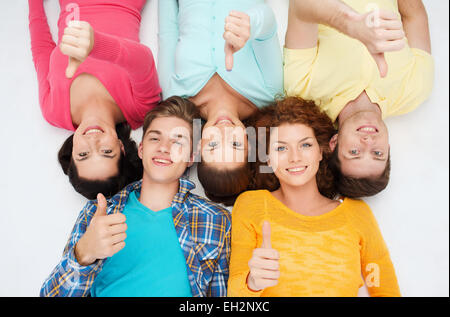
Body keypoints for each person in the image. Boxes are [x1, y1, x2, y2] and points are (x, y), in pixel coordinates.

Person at [40, 97, 231, 297]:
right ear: (141, 149)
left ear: (192, 157)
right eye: (155, 138)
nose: (164, 147)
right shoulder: (98, 214)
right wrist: (84, 254)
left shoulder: (216, 220)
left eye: (178, 141)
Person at [227, 97, 401, 297]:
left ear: (321, 151)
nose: (295, 157)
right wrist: (252, 283)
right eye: (281, 148)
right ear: (268, 158)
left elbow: (385, 289)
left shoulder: (357, 213)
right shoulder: (251, 205)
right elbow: (236, 298)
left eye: (306, 145)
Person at [283, 0, 434, 197]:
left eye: (354, 152)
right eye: (378, 154)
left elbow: (300, 7)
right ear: (388, 147)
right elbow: (415, 17)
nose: (368, 142)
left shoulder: (303, 89)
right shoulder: (416, 88)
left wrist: (351, 25)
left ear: (334, 143)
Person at [28, 0, 161, 199]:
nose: (93, 141)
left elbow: (42, 50)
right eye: (106, 151)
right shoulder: (139, 110)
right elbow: (144, 61)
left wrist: (34, 3)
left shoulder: (53, 111)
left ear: (72, 154)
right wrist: (96, 45)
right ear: (121, 148)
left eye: (83, 155)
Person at [158, 0, 283, 205]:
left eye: (213, 145)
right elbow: (268, 24)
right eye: (235, 144)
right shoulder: (269, 92)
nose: (224, 131)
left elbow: (167, 31)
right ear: (249, 143)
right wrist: (249, 24)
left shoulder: (175, 95)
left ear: (197, 148)